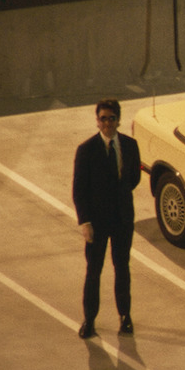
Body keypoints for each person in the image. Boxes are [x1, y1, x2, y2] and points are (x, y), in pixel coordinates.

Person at [73, 99, 141, 338]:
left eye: (111, 118)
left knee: (122, 268)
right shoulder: (86, 150)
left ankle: (125, 316)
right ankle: (89, 319)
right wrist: (85, 222)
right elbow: (79, 190)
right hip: (97, 223)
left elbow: (133, 179)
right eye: (103, 119)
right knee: (94, 271)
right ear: (97, 121)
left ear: (118, 120)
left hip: (122, 219)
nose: (107, 123)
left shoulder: (130, 146)